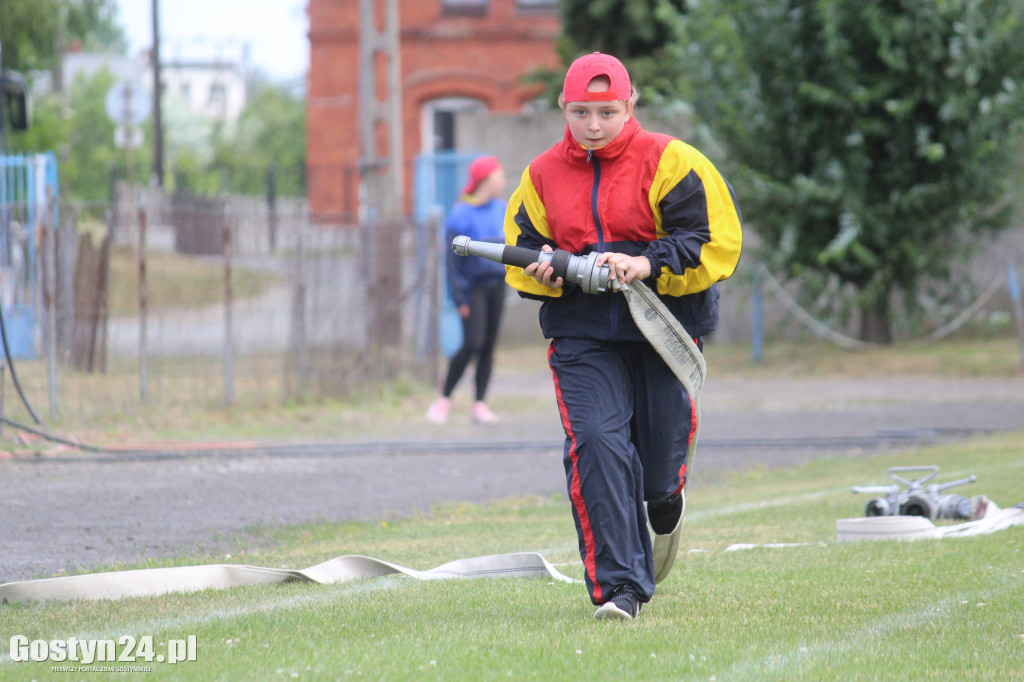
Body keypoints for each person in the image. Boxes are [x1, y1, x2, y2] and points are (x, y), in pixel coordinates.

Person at [504, 53, 742, 620]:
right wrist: (545, 270)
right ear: (563, 108)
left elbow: (715, 241)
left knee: (657, 471)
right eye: (581, 112)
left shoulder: (673, 160)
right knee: (597, 444)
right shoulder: (539, 175)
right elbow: (520, 251)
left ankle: (665, 499)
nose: (593, 125)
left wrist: (645, 262)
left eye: (607, 112)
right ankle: (621, 590)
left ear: (630, 106)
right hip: (582, 336)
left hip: (663, 330)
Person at [426, 156, 509, 425]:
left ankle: (480, 405)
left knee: (488, 345)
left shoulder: (502, 210)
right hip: (472, 289)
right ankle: (444, 398)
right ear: (485, 180)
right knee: (472, 343)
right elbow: (452, 262)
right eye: (499, 177)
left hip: (498, 286)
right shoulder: (461, 214)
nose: (504, 182)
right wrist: (459, 296)